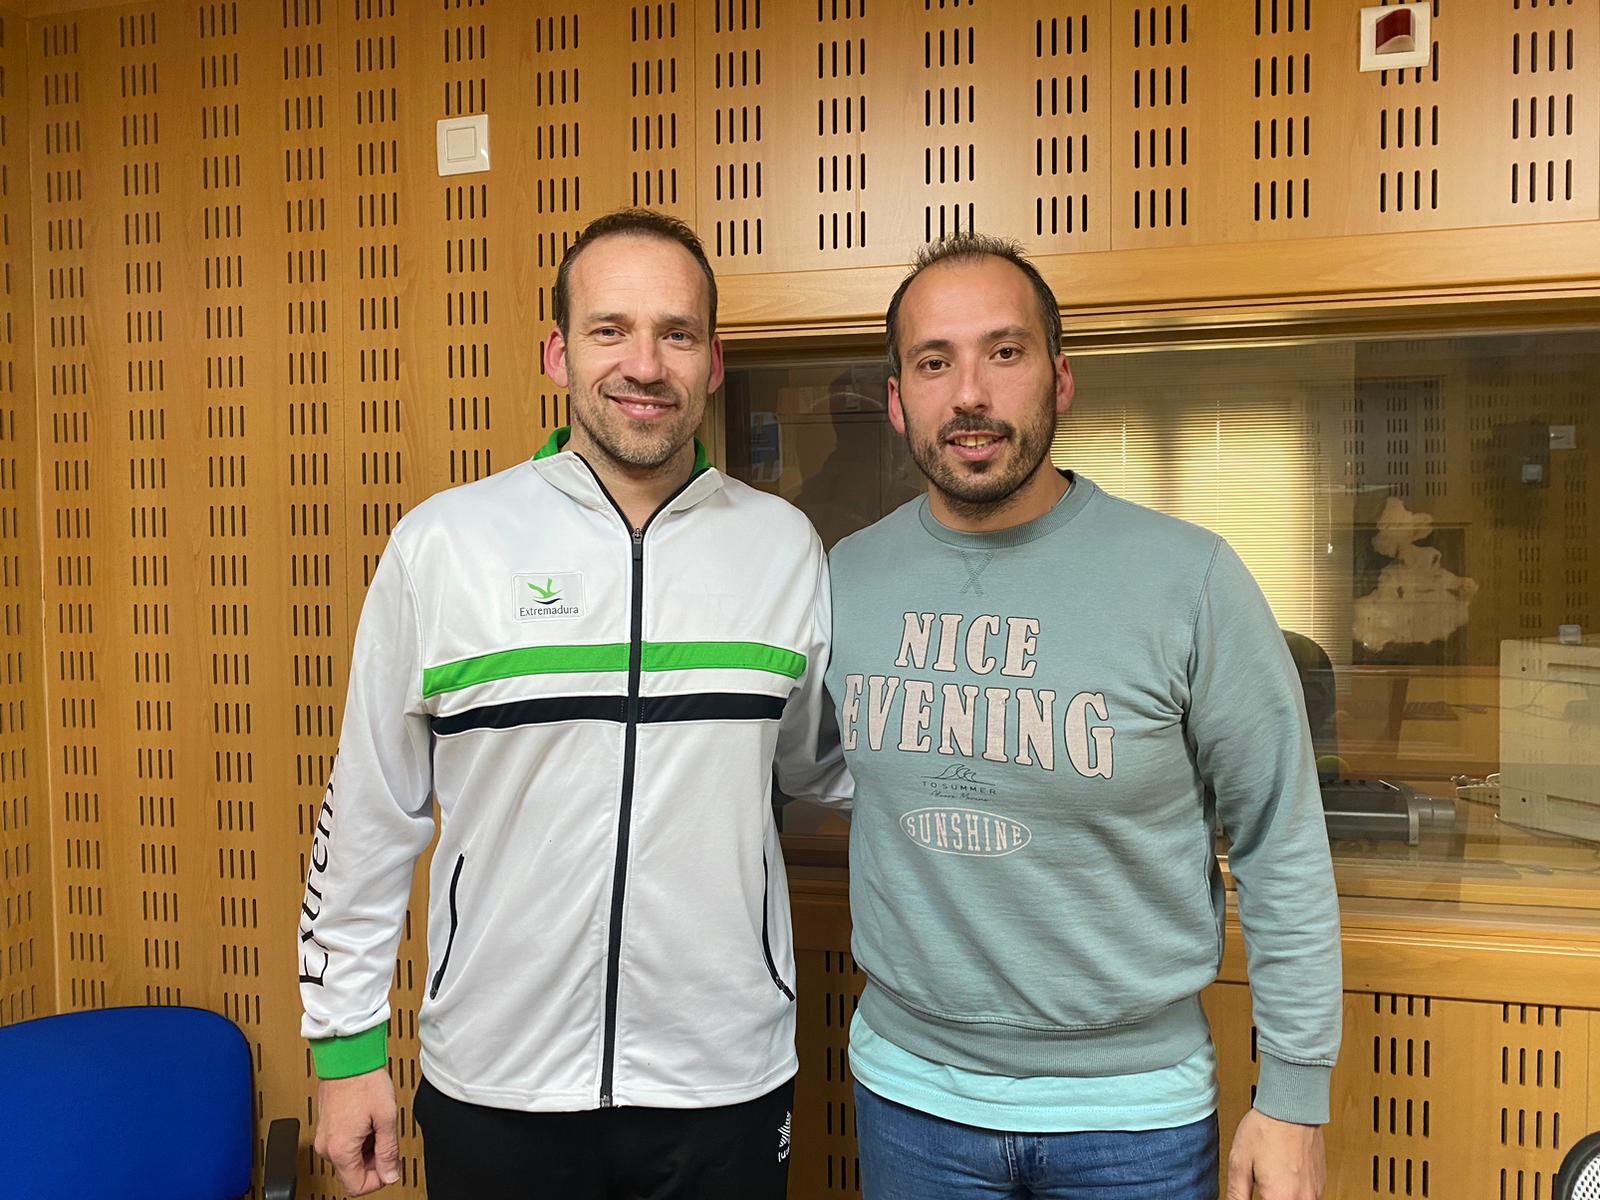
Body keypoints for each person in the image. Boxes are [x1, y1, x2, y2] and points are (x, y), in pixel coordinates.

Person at [298, 209, 848, 1199]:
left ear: (713, 362)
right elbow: (369, 811)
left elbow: (819, 764)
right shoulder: (446, 546)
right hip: (496, 1079)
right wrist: (344, 1050)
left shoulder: (783, 549)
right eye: (609, 330)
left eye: (676, 333)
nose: (644, 363)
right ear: (557, 352)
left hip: (723, 1079)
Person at [823, 234, 1342, 1200]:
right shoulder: (844, 578)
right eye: (935, 362)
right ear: (898, 399)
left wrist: (1296, 1099)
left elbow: (1282, 842)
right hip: (909, 1100)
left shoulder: (1189, 579)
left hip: (1132, 1119)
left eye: (1004, 352)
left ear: (1061, 381)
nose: (970, 392)